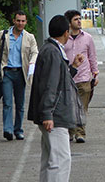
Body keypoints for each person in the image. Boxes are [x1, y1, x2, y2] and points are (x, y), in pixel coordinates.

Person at [28, 15, 84, 182]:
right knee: (60, 160)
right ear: (66, 33)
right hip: (55, 115)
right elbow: (50, 86)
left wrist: (73, 67)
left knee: (49, 159)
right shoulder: (53, 52)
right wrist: (47, 114)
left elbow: (58, 79)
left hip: (51, 114)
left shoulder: (49, 49)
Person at [0, 10, 39, 141]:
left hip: (21, 73)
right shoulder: (3, 35)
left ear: (26, 22)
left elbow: (35, 52)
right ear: (14, 21)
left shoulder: (29, 37)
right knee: (7, 102)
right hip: (6, 72)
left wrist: (32, 62)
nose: (20, 23)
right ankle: (8, 129)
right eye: (18, 20)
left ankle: (18, 129)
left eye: (23, 21)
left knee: (20, 104)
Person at [63, 9, 99, 143]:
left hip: (84, 78)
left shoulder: (87, 38)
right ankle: (70, 131)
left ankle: (80, 133)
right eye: (75, 19)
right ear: (69, 23)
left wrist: (95, 73)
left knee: (82, 107)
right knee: (70, 107)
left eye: (80, 19)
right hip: (68, 78)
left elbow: (92, 56)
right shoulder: (64, 38)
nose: (79, 21)